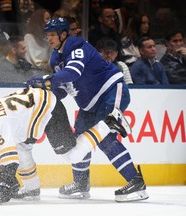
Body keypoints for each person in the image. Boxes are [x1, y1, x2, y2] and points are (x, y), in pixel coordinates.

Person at [27, 17, 149, 202]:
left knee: (106, 138)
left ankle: (136, 182)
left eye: (52, 35)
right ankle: (81, 184)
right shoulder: (56, 58)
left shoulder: (78, 47)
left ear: (64, 34)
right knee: (79, 142)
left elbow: (73, 72)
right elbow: (63, 89)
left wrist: (47, 80)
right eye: (47, 35)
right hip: (89, 105)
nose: (49, 39)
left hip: (111, 91)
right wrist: (44, 92)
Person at [0, 86, 132, 203]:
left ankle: (108, 123)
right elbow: (5, 154)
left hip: (50, 109)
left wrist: (5, 183)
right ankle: (32, 189)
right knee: (21, 147)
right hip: (37, 106)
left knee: (71, 155)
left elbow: (9, 161)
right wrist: (9, 182)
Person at [24, 8, 52, 73]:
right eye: (47, 19)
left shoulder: (47, 37)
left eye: (50, 18)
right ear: (39, 21)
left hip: (48, 73)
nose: (50, 21)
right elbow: (36, 62)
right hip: (35, 74)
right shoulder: (29, 37)